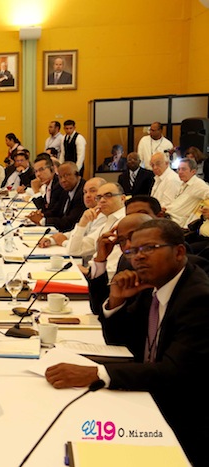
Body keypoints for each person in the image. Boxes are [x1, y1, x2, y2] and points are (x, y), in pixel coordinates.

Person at [45, 219, 209, 466]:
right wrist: (117, 302)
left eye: (149, 248)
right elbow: (121, 344)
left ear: (178, 252)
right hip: (147, 396)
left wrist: (97, 374)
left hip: (183, 419)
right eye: (133, 251)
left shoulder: (198, 299)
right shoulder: (153, 284)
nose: (138, 257)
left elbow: (175, 372)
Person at [38, 177, 106, 249]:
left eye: (92, 191)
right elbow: (76, 233)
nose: (88, 195)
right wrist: (53, 240)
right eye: (85, 192)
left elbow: (88, 246)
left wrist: (63, 242)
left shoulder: (103, 216)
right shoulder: (91, 211)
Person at [27, 162, 86, 232]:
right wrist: (41, 215)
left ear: (77, 174)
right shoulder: (66, 189)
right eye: (60, 177)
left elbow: (69, 223)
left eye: (66, 175)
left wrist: (43, 221)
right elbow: (56, 211)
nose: (63, 180)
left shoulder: (83, 192)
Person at [165, 158, 209, 227]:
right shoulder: (183, 183)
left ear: (193, 171)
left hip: (176, 223)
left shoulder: (198, 184)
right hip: (168, 216)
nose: (180, 172)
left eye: (183, 169)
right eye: (179, 169)